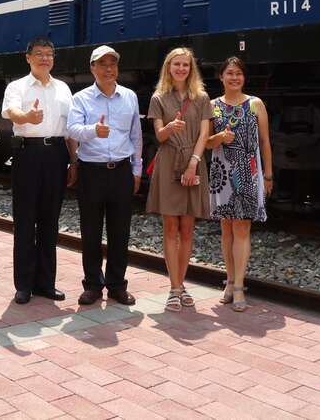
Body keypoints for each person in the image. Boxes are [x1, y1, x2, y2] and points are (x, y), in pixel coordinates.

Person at [2, 38, 76, 304]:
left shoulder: (64, 89)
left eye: (49, 54)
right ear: (28, 57)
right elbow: (10, 112)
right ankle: (23, 284)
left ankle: (46, 283)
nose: (45, 58)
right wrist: (27, 117)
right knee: (24, 220)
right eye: (39, 54)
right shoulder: (17, 86)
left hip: (56, 154)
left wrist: (74, 161)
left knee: (50, 221)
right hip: (28, 153)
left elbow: (70, 129)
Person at [67, 46, 142, 306]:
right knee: (90, 231)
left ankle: (117, 286)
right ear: (92, 68)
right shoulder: (80, 98)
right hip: (91, 172)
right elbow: (72, 129)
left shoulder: (130, 96)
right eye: (103, 64)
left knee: (120, 231)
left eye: (113, 64)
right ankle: (93, 286)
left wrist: (137, 169)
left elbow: (136, 135)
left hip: (121, 170)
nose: (109, 68)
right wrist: (93, 131)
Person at [205, 56, 274, 312]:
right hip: (222, 172)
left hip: (249, 172)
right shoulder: (212, 106)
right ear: (221, 77)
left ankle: (239, 287)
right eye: (229, 73)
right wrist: (219, 137)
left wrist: (268, 174)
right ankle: (229, 279)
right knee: (226, 229)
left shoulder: (256, 104)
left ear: (243, 77)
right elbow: (207, 143)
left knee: (242, 229)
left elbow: (265, 141)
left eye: (239, 74)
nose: (234, 78)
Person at [146, 47, 212, 312]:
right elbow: (160, 136)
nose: (181, 69)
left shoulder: (203, 98)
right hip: (168, 162)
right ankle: (174, 288)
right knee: (170, 228)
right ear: (168, 68)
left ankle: (181, 284)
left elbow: (204, 135)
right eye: (177, 65)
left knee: (187, 229)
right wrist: (169, 128)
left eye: (185, 65)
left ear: (191, 68)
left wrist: (193, 165)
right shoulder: (158, 98)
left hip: (193, 164)